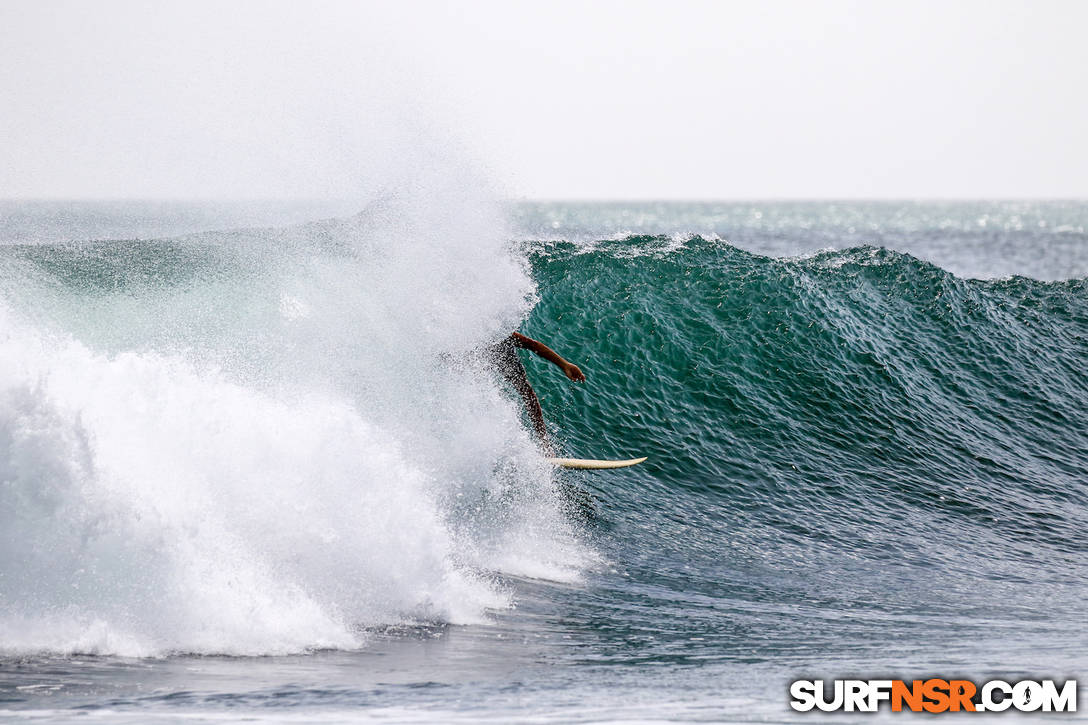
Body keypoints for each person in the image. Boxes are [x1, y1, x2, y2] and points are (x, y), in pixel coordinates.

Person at [489, 332, 585, 444]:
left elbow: (532, 345)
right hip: (480, 347)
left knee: (527, 392)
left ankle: (544, 442)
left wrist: (564, 365)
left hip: (497, 346)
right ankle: (544, 442)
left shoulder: (499, 335)